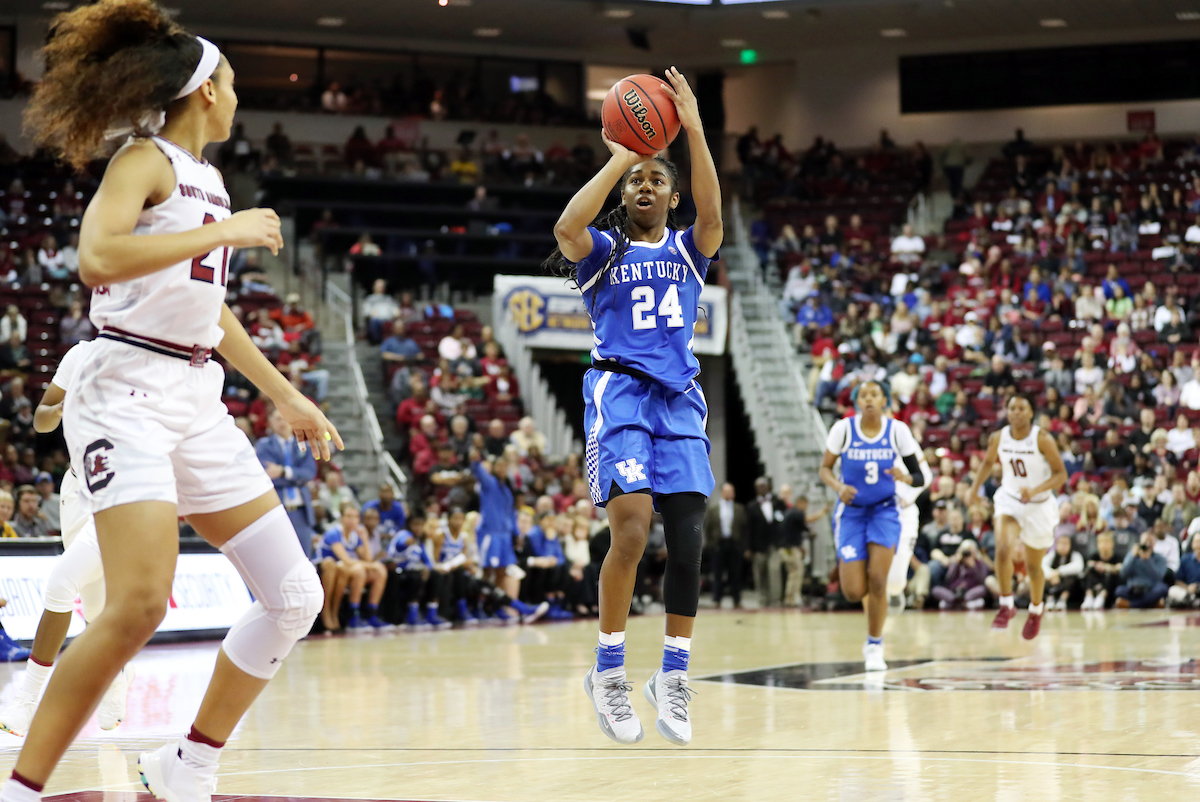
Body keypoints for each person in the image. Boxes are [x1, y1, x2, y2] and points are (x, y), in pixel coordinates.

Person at [9, 14, 343, 802]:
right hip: (124, 390)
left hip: (196, 398)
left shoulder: (212, 179)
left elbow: (211, 314)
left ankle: (187, 764)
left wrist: (285, 394)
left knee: (296, 598)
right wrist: (224, 231)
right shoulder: (143, 160)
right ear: (204, 91)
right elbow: (98, 257)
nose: (238, 100)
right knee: (134, 606)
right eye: (232, 86)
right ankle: (21, 790)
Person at [547, 68, 720, 747]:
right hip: (618, 393)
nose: (645, 185)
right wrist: (621, 149)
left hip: (679, 401)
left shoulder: (688, 249)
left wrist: (694, 128)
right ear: (625, 195)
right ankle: (609, 670)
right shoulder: (603, 252)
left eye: (656, 178)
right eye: (635, 181)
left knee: (691, 546)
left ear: (672, 195)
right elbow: (566, 224)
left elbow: (713, 217)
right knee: (631, 531)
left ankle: (672, 675)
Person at [0, 341, 133, 738]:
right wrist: (58, 412)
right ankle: (117, 673)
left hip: (122, 496)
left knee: (61, 584)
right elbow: (41, 419)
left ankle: (26, 700)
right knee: (94, 605)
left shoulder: (149, 365)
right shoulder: (80, 354)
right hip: (76, 490)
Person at [820, 381, 926, 672]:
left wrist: (904, 477)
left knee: (879, 580)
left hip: (884, 512)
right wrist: (838, 486)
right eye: (863, 395)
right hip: (852, 513)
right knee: (853, 591)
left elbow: (919, 476)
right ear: (856, 402)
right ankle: (875, 605)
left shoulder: (897, 430)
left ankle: (875, 645)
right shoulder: (843, 430)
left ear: (884, 401)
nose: (868, 399)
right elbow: (824, 468)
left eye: (874, 395)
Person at [967, 395, 1068, 640]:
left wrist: (1034, 490)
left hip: (1039, 504)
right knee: (1002, 548)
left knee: (1034, 566)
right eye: (1011, 408)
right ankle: (1006, 604)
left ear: (1031, 412)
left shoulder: (1042, 439)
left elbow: (1061, 475)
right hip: (1010, 498)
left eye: (1021, 408)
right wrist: (973, 489)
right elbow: (988, 462)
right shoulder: (998, 437)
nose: (1015, 412)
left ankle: (1035, 609)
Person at [313, 503, 390, 631]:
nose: (352, 520)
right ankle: (349, 615)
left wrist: (364, 538)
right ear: (342, 518)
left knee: (379, 572)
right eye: (348, 516)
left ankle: (371, 614)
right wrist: (372, 565)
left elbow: (367, 558)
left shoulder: (355, 535)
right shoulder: (334, 533)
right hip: (325, 569)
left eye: (355, 517)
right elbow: (346, 560)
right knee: (358, 570)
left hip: (342, 570)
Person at [255, 408, 318, 556]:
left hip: (301, 512)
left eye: (285, 418)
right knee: (277, 557)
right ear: (270, 422)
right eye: (277, 419)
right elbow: (267, 475)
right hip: (277, 509)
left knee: (304, 560)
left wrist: (284, 471)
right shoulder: (264, 446)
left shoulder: (304, 446)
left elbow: (309, 473)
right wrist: (297, 478)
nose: (282, 422)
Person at [887, 443, 932, 610]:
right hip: (877, 513)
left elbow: (925, 477)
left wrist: (907, 497)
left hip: (905, 513)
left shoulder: (904, 440)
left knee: (896, 579)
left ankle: (894, 590)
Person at [703, 482, 746, 608]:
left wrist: (742, 546)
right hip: (718, 545)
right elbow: (708, 528)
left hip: (734, 544)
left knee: (736, 573)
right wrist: (711, 544)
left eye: (731, 491)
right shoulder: (713, 509)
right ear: (722, 492)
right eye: (727, 491)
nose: (729, 494)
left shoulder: (740, 508)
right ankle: (717, 599)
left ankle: (737, 600)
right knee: (717, 574)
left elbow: (744, 528)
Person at [1115, 532, 1169, 608]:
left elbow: (1159, 577)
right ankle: (1153, 603)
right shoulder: (1132, 555)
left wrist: (1148, 560)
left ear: (1155, 543)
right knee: (1119, 590)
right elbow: (1123, 574)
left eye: (1150, 541)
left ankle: (1130, 604)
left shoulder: (1160, 559)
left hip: (1151, 589)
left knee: (1163, 588)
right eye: (1145, 541)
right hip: (1134, 589)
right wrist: (1132, 557)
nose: (1147, 544)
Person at [1043, 533, 1085, 610]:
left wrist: (1059, 571)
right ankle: (1050, 598)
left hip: (1069, 587)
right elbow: (1043, 565)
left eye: (1066, 543)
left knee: (1072, 578)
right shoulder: (1052, 555)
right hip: (1053, 582)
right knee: (1043, 579)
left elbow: (1078, 567)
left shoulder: (1075, 555)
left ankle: (1063, 599)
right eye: (1061, 543)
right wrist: (1051, 575)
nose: (1063, 546)